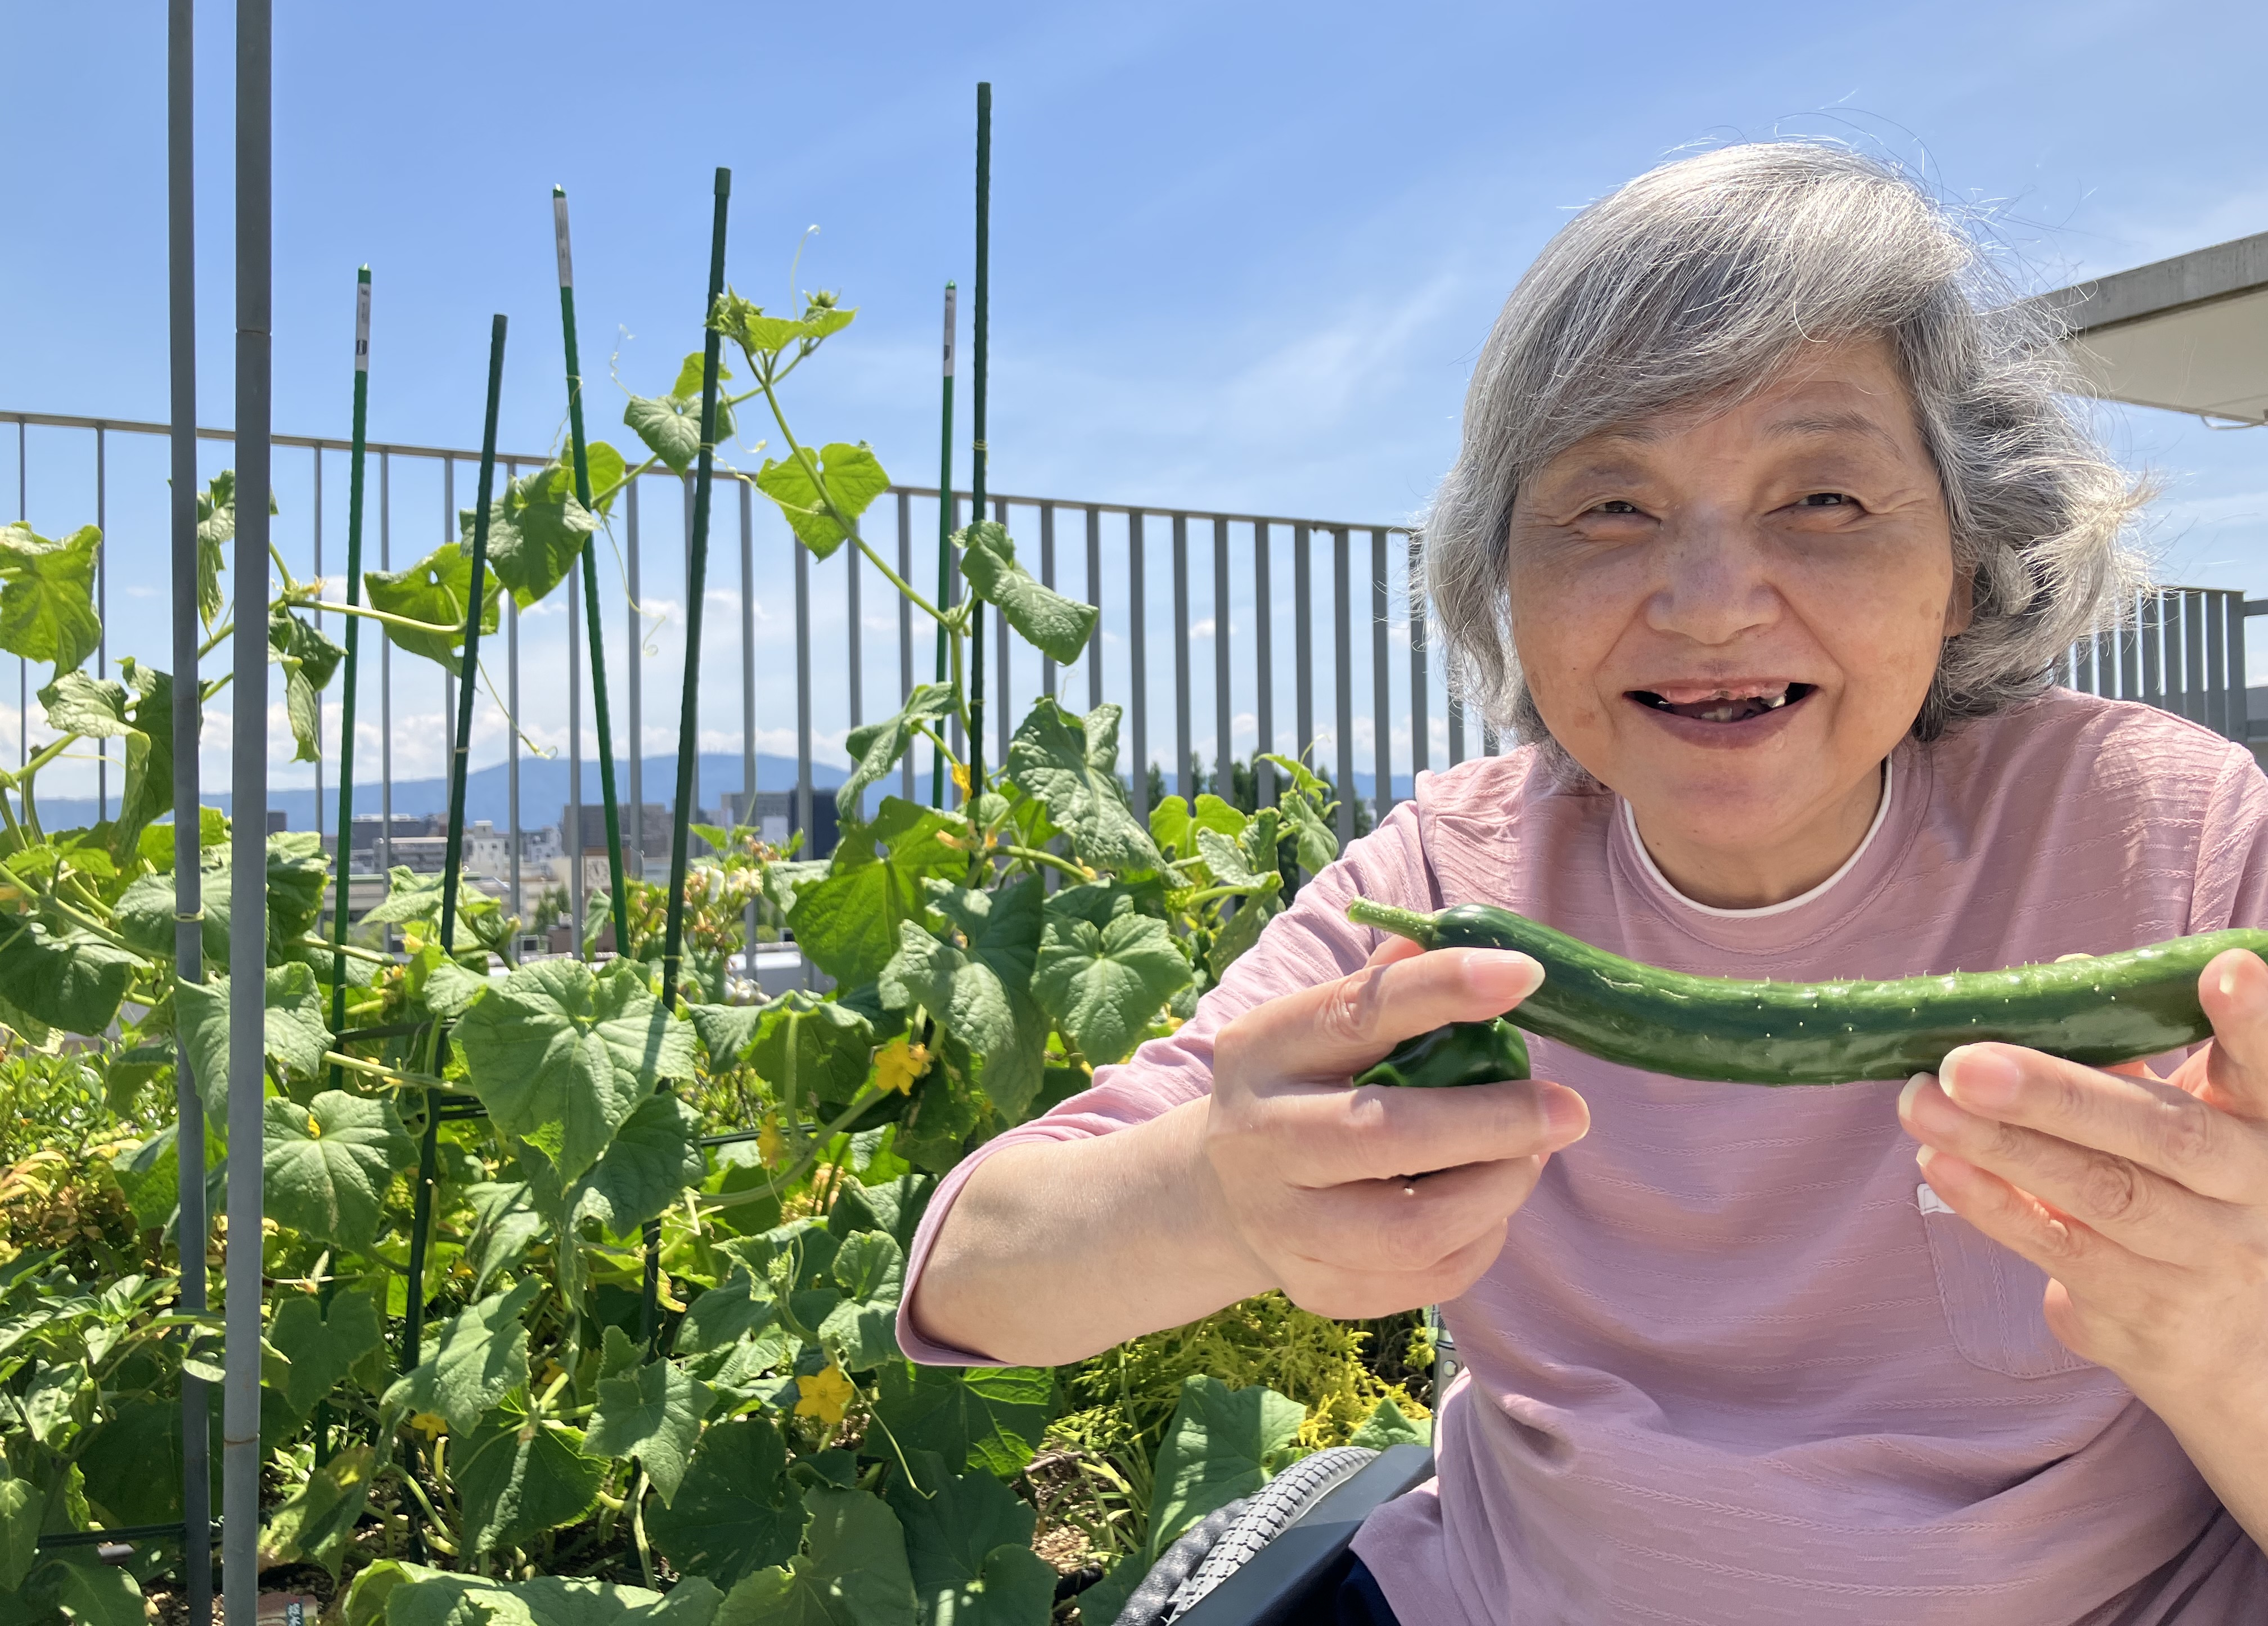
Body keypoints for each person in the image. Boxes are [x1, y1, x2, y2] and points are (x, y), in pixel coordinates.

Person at [898, 143, 2268, 1624]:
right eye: (1609, 509)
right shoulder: (1455, 878)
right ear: (1506, 577)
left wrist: (2221, 1335)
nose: (1707, 601)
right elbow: (975, 1269)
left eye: (1823, 496)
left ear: (1961, 559)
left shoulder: (2167, 840)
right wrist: (1227, 1196)